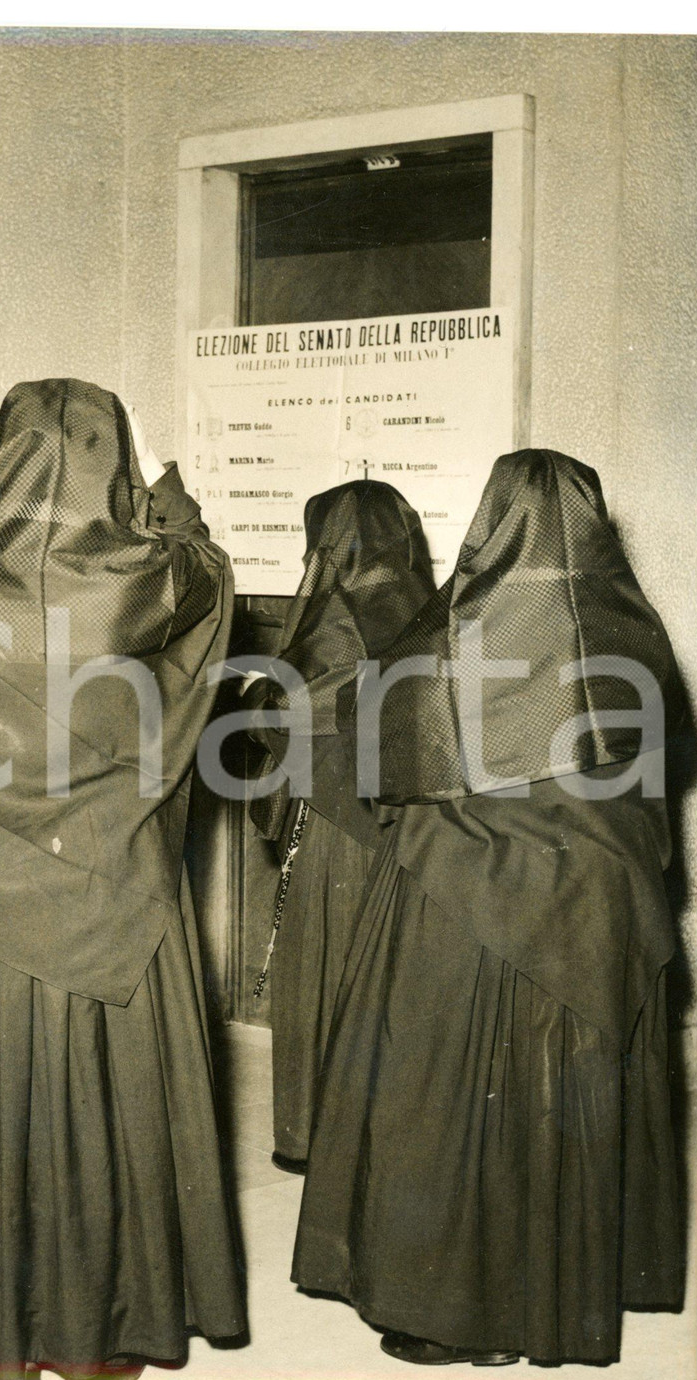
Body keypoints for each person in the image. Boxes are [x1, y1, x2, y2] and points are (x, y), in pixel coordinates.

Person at [0, 378, 246, 1380]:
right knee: (105, 1106)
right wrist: (164, 488)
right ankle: (98, 1342)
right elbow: (213, 583)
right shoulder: (144, 579)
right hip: (112, 885)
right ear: (111, 462)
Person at [292, 449, 684, 1367]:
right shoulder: (640, 639)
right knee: (559, 1100)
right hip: (597, 909)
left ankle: (454, 1311)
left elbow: (377, 757)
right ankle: (558, 1294)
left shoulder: (441, 647)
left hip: (465, 902)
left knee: (445, 1103)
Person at [241, 480, 434, 1170]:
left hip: (331, 829)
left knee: (318, 972)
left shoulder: (333, 619)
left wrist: (256, 700)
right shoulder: (426, 611)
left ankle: (311, 1138)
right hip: (406, 829)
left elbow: (288, 713)